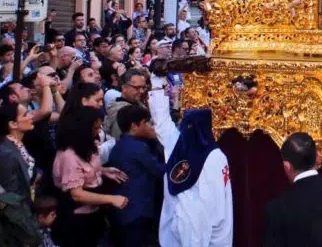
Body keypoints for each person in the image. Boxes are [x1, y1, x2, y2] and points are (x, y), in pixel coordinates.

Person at [147, 72, 233, 247]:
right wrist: (156, 81)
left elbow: (216, 202)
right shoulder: (178, 144)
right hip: (178, 221)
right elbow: (161, 122)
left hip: (203, 227)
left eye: (189, 126)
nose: (184, 129)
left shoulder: (215, 157)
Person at [51, 108, 128, 247]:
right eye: (96, 127)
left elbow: (85, 171)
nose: (99, 131)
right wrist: (111, 199)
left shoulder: (87, 147)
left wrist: (103, 171)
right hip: (78, 220)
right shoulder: (69, 156)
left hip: (94, 214)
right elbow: (77, 194)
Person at [107, 105, 164, 247]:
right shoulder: (138, 148)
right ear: (134, 126)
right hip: (137, 211)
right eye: (146, 123)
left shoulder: (119, 145)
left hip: (125, 212)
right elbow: (159, 170)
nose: (150, 126)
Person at [0, 101, 37, 199]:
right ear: (13, 124)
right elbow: (11, 193)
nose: (31, 116)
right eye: (25, 114)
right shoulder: (5, 153)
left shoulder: (17, 144)